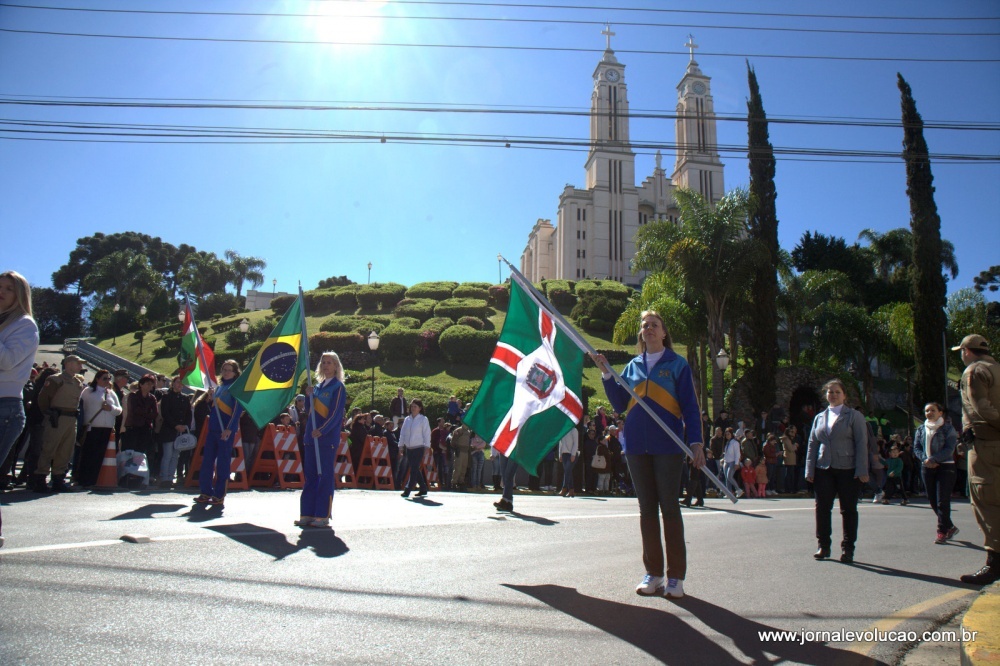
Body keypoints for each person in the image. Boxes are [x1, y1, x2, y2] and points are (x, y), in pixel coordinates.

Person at [592, 309, 704, 599]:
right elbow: (619, 404)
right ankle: (653, 573)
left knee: (669, 507)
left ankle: (675, 577)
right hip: (636, 446)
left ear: (664, 333)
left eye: (655, 324)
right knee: (646, 511)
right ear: (641, 333)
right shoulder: (632, 366)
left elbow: (690, 408)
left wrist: (697, 444)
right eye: (645, 325)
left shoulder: (677, 365)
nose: (649, 328)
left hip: (668, 447)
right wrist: (606, 373)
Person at [805, 379, 869, 564]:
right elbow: (812, 444)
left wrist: (862, 469)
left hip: (847, 469)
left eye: (837, 392)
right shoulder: (819, 417)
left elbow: (861, 443)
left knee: (848, 510)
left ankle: (848, 548)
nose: (833, 395)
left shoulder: (854, 416)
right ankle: (823, 545)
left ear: (844, 395)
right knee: (822, 508)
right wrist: (810, 469)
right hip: (823, 468)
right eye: (830, 392)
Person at [953, 334, 1000, 585]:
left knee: (987, 502)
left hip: (987, 446)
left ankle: (994, 565)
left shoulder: (974, 371)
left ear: (967, 351)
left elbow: (982, 408)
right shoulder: (997, 368)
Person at [0, 270, 39, 546]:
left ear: (20, 295)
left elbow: (8, 361)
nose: (1, 291)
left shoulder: (25, 325)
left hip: (5, 407)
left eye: (9, 289)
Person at [296, 352, 347, 528]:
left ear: (336, 366)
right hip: (311, 437)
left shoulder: (338, 387)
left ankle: (322, 515)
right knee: (310, 476)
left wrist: (323, 430)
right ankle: (307, 513)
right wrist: (310, 396)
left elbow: (335, 414)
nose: (326, 365)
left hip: (326, 439)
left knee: (324, 476)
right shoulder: (317, 387)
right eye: (323, 362)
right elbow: (310, 412)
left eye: (329, 363)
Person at [32, 354, 87, 493]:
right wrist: (49, 413)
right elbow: (43, 399)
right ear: (69, 364)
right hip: (57, 417)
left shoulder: (77, 381)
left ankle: (58, 478)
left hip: (71, 417)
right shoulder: (56, 379)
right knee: (49, 447)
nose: (81, 366)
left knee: (65, 450)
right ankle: (40, 478)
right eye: (78, 363)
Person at [193, 360, 243, 506]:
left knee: (222, 463)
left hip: (225, 431)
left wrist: (229, 429)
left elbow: (237, 411)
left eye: (229, 370)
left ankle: (219, 494)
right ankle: (205, 491)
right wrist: (210, 399)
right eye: (224, 369)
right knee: (207, 462)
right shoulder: (219, 388)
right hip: (213, 429)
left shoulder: (235, 388)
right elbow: (215, 410)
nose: (226, 372)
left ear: (235, 372)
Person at [74, 370, 122, 487]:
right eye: (104, 378)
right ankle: (83, 479)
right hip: (92, 427)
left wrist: (110, 408)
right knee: (89, 454)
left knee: (100, 455)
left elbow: (119, 410)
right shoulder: (88, 391)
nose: (107, 381)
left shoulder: (111, 393)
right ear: (97, 379)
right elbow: (81, 407)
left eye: (109, 378)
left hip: (107, 428)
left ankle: (94, 479)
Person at [158, 375, 192, 489]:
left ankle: (171, 477)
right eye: (177, 382)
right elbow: (165, 413)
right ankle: (164, 478)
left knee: (175, 455)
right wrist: (175, 425)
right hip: (169, 429)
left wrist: (184, 425)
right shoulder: (167, 397)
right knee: (167, 454)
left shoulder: (185, 398)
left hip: (180, 431)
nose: (179, 385)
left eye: (181, 383)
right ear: (172, 384)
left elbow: (188, 414)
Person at [399, 398, 431, 498]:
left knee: (413, 468)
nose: (413, 408)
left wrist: (427, 446)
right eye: (412, 406)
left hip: (419, 447)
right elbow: (403, 433)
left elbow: (427, 433)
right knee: (414, 468)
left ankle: (408, 489)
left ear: (420, 408)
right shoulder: (407, 419)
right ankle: (423, 487)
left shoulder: (423, 419)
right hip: (409, 447)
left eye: (415, 407)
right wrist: (401, 445)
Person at [124, 374, 158, 457]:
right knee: (130, 449)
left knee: (141, 450)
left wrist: (145, 414)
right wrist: (147, 414)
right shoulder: (133, 396)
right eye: (147, 384)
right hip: (133, 426)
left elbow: (155, 413)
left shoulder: (152, 398)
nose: (150, 386)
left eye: (151, 384)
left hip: (146, 427)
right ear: (141, 384)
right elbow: (135, 410)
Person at [449, 419, 472, 490]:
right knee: (457, 468)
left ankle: (461, 482)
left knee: (464, 468)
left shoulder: (468, 432)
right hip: (460, 451)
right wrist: (456, 448)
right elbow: (453, 442)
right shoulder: (459, 430)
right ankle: (454, 482)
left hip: (466, 452)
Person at [557, 426, 578, 497]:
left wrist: (573, 454)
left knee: (567, 471)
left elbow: (576, 443)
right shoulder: (563, 430)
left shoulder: (574, 430)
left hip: (571, 454)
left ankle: (564, 488)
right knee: (568, 472)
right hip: (564, 454)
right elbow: (560, 443)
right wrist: (560, 454)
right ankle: (571, 490)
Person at [723, 427, 742, 497]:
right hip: (726, 461)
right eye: (726, 434)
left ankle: (738, 489)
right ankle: (729, 493)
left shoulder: (735, 442)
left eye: (728, 434)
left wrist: (737, 463)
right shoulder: (727, 442)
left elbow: (737, 454)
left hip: (732, 462)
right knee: (726, 479)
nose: (727, 436)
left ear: (731, 434)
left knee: (729, 476)